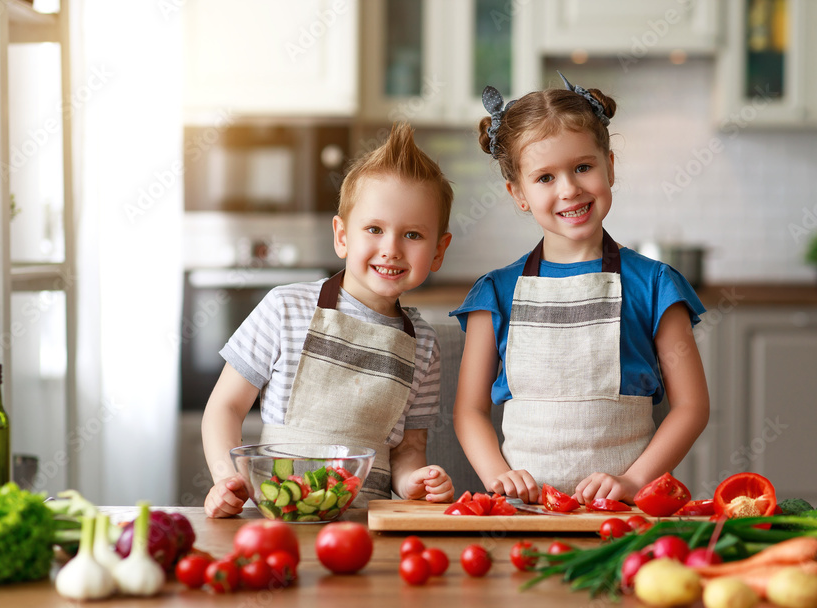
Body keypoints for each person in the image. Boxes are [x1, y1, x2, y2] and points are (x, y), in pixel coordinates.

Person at [451, 74, 710, 506]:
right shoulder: (494, 293)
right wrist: (499, 476)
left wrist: (632, 481)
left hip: (623, 513)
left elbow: (692, 408)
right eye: (545, 178)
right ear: (518, 193)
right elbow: (469, 411)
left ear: (610, 165)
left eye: (583, 168)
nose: (569, 189)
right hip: (525, 515)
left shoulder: (657, 285)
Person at [203, 123, 456, 518]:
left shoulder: (423, 344)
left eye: (412, 235)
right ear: (341, 236)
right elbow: (225, 407)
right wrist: (226, 478)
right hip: (278, 516)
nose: (390, 249)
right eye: (374, 229)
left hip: (364, 530)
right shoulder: (285, 308)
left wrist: (414, 482)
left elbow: (407, 450)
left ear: (440, 251)